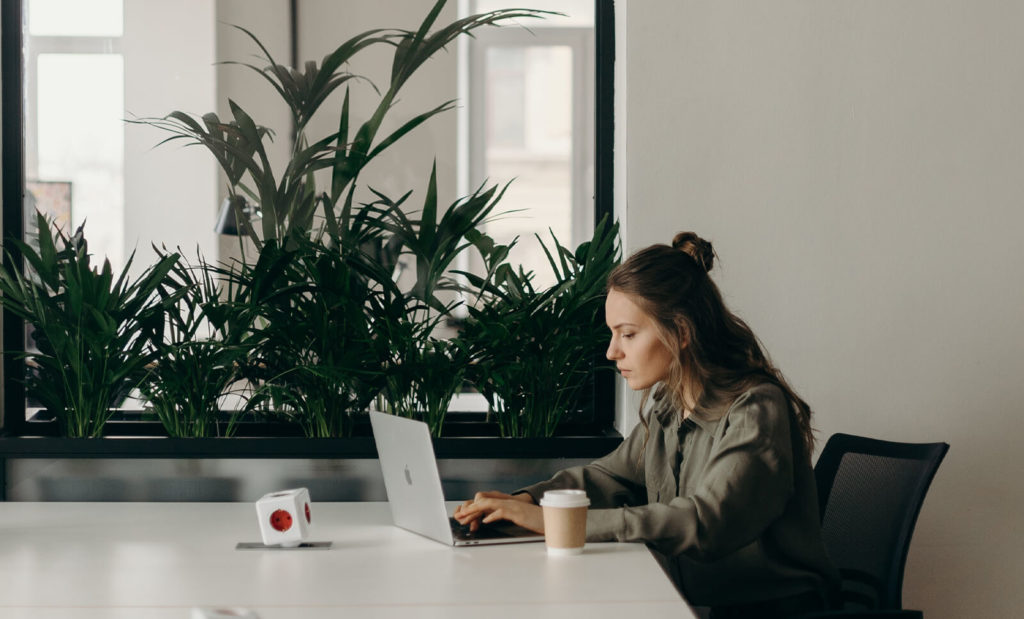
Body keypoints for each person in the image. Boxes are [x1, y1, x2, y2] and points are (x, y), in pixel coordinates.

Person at [454, 232, 839, 619]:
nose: (611, 351)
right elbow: (609, 477)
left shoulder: (755, 409)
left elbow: (707, 523)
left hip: (768, 613)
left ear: (682, 333)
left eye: (629, 334)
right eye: (612, 333)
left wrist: (555, 523)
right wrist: (528, 501)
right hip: (687, 600)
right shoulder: (670, 403)